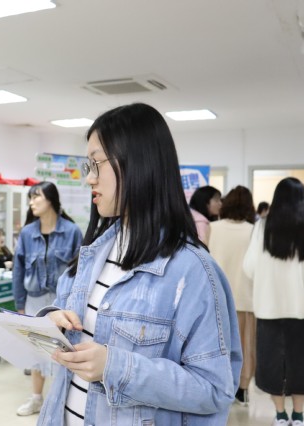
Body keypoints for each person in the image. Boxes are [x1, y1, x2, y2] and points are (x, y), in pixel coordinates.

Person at [36, 103, 241, 425]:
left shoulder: (192, 272)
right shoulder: (93, 253)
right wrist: (51, 321)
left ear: (138, 164)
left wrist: (116, 367)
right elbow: (64, 317)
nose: (89, 178)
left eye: (96, 164)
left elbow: (214, 389)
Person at [243, 177, 304, 426]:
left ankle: (280, 415)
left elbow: (249, 267)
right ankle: (298, 416)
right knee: (302, 364)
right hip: (302, 308)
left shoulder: (262, 227)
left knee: (271, 364)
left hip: (267, 307)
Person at [12, 181, 83, 417]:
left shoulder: (72, 232)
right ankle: (36, 398)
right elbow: (18, 271)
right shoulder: (27, 233)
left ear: (50, 199)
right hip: (34, 300)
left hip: (63, 302)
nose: (31, 202)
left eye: (36, 197)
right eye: (30, 198)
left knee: (63, 351)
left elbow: (80, 270)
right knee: (35, 351)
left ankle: (60, 400)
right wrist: (20, 305)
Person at [208, 185, 256, 406]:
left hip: (217, 297)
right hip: (246, 297)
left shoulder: (213, 228)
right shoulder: (253, 231)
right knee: (245, 346)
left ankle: (220, 385)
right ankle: (242, 388)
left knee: (217, 344)